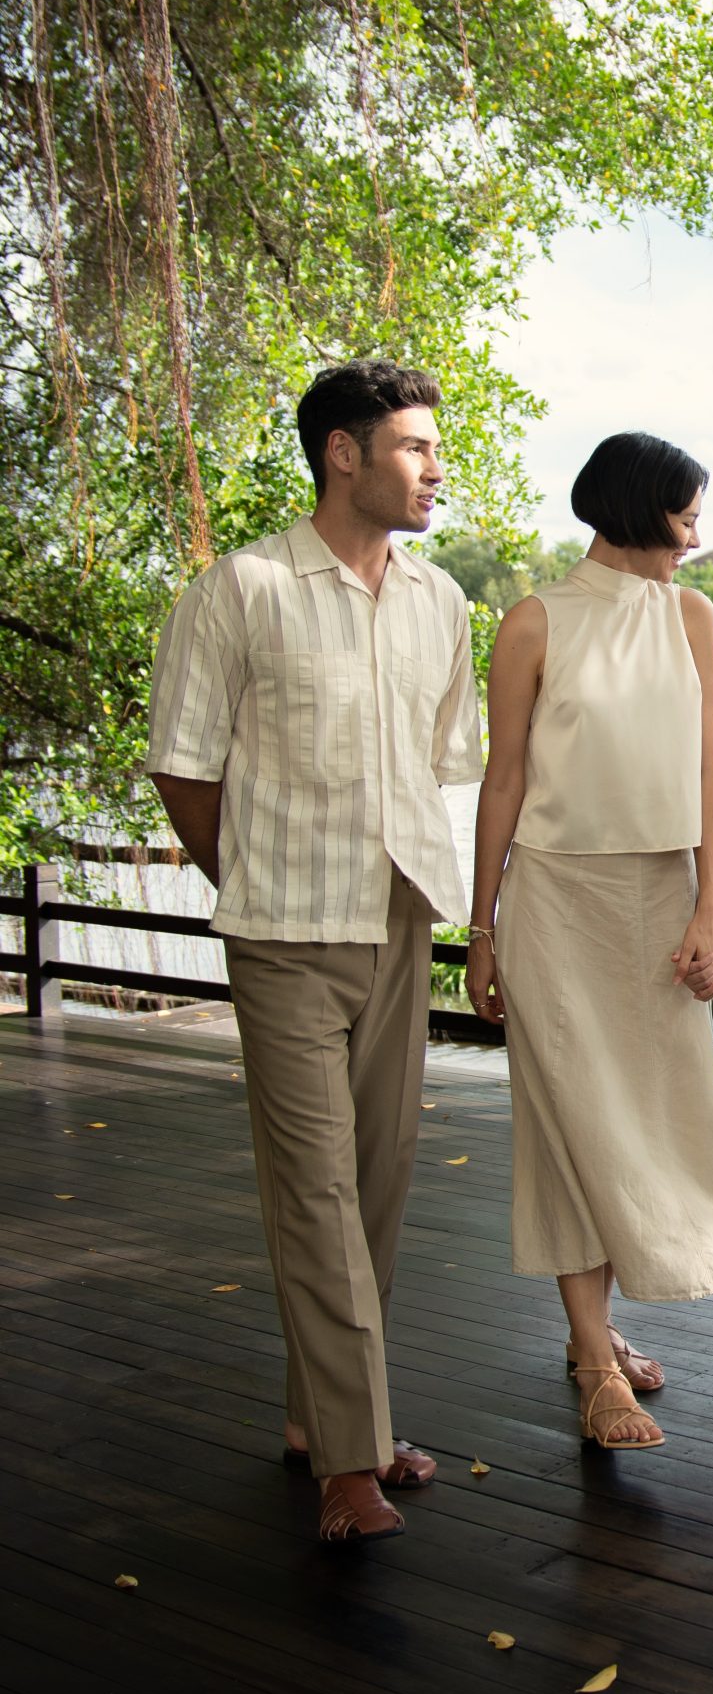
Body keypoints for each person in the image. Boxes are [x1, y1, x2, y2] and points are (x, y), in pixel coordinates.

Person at [146, 360, 480, 1544]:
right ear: (343, 454)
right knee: (319, 1192)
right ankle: (350, 1458)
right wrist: (249, 875)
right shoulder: (241, 590)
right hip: (284, 928)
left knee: (379, 1180)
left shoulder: (440, 602)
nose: (437, 467)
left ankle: (319, 1415)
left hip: (399, 915)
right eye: (415, 447)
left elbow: (442, 761)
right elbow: (185, 765)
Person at [463, 432, 713, 1452]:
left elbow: (702, 765)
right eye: (686, 516)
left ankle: (601, 1324)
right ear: (638, 512)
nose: (696, 536)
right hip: (555, 899)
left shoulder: (692, 615)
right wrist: (480, 928)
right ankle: (595, 1358)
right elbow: (503, 780)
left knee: (655, 1115)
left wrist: (706, 912)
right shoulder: (533, 622)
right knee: (567, 1123)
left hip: (661, 901)